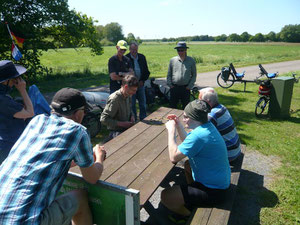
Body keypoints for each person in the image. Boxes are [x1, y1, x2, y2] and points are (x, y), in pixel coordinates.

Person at [0, 87, 106, 225]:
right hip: (25, 221)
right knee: (80, 197)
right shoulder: (77, 131)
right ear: (78, 114)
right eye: (84, 111)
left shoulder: (37, 121)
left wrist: (83, 158)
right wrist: (99, 157)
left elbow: (47, 159)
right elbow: (91, 178)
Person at [161, 99, 231, 222]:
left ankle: (188, 216)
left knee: (166, 196)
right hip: (219, 183)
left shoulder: (199, 135)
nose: (183, 119)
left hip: (214, 191)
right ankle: (190, 200)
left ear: (195, 119)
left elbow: (173, 157)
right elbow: (188, 141)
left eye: (186, 117)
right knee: (188, 164)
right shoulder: (206, 127)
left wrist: (171, 132)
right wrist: (178, 125)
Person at [0, 60, 34, 164]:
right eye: (13, 79)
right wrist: (22, 90)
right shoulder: (4, 101)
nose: (15, 82)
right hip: (9, 145)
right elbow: (30, 113)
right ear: (5, 81)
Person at [199, 87, 241, 162]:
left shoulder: (212, 115)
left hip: (229, 154)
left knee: (198, 151)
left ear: (208, 102)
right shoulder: (221, 107)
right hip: (235, 147)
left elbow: (202, 136)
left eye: (200, 101)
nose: (198, 104)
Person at [100, 75, 138, 141]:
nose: (135, 93)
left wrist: (132, 116)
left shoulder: (128, 94)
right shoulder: (114, 99)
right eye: (133, 90)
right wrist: (122, 124)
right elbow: (103, 119)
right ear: (126, 87)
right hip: (116, 132)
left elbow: (130, 108)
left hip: (126, 129)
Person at [167, 42, 197, 109]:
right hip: (174, 87)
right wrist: (170, 85)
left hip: (185, 88)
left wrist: (189, 86)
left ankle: (184, 119)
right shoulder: (172, 60)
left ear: (186, 50)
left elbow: (194, 75)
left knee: (186, 108)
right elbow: (169, 74)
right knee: (172, 107)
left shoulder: (191, 60)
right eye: (178, 50)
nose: (180, 52)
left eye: (182, 50)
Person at [126, 42, 150, 121]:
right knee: (132, 104)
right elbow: (125, 73)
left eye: (135, 49)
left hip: (140, 84)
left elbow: (146, 71)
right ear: (129, 49)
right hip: (131, 86)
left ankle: (143, 118)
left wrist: (142, 81)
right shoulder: (126, 58)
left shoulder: (142, 57)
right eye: (132, 49)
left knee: (142, 103)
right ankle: (134, 119)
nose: (134, 51)